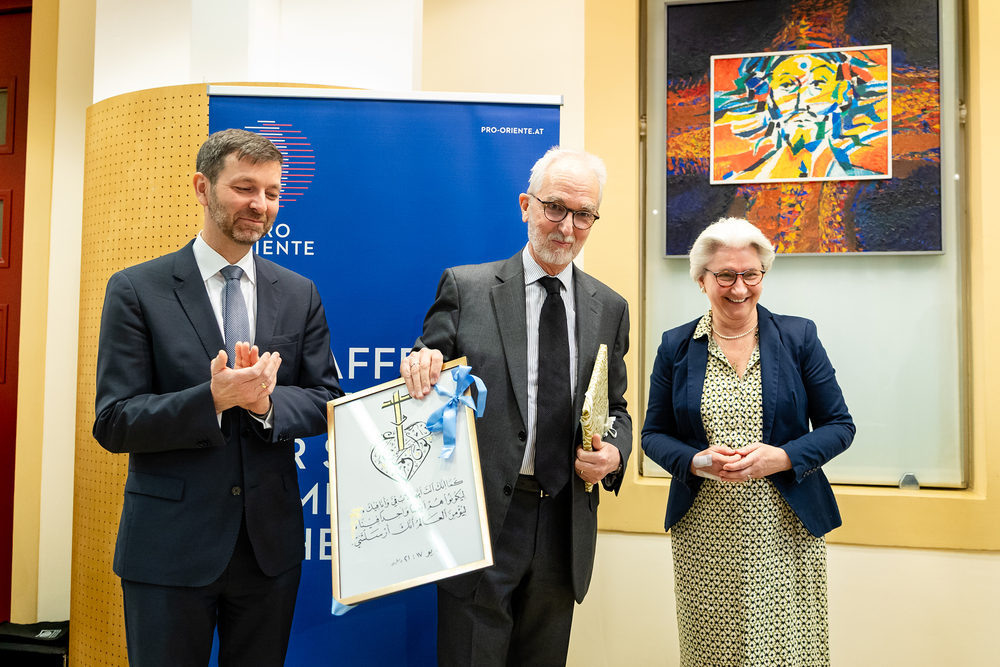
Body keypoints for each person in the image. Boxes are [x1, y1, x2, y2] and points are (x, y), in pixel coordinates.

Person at [93, 128, 343, 667]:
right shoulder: (137, 289)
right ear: (202, 188)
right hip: (168, 549)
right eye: (245, 188)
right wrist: (212, 399)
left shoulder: (298, 293)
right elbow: (114, 420)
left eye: (272, 193)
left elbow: (326, 398)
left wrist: (264, 404)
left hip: (268, 550)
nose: (261, 205)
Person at [402, 147, 632, 666]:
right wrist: (421, 364)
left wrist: (614, 452)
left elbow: (616, 409)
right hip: (481, 520)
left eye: (583, 214)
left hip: (563, 525)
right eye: (555, 208)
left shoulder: (610, 308)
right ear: (526, 205)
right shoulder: (467, 288)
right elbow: (427, 367)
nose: (567, 227)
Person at [641, 217, 854, 666]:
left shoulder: (798, 337)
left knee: (788, 654)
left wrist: (783, 456)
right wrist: (695, 461)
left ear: (762, 275)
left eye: (750, 274)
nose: (739, 287)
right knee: (714, 654)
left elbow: (839, 425)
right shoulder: (676, 346)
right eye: (725, 275)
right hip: (705, 534)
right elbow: (652, 435)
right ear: (701, 280)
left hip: (785, 530)